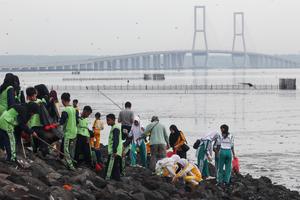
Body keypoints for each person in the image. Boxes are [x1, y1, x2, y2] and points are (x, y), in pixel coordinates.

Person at [26, 87, 49, 157]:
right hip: (32, 125)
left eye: (33, 95)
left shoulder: (40, 101)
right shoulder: (29, 104)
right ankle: (35, 152)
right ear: (28, 97)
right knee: (34, 140)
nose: (32, 97)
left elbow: (46, 110)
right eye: (30, 96)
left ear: (36, 94)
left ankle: (44, 152)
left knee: (43, 138)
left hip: (41, 124)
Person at [59, 93, 79, 170]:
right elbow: (77, 120)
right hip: (74, 132)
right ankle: (72, 164)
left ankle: (71, 166)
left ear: (63, 100)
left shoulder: (65, 110)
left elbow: (61, 122)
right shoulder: (74, 109)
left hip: (68, 133)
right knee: (71, 150)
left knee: (66, 149)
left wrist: (54, 125)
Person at [118, 101, 134, 175]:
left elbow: (118, 120)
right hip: (129, 127)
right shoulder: (131, 112)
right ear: (130, 106)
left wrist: (123, 118)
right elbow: (132, 121)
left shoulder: (121, 112)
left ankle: (122, 152)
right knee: (129, 140)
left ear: (125, 106)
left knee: (123, 140)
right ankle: (126, 154)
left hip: (123, 127)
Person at [105, 114, 123, 181]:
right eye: (107, 120)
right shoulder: (114, 127)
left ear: (113, 120)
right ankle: (117, 180)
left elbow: (116, 140)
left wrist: (114, 151)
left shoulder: (115, 128)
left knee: (110, 167)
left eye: (108, 120)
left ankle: (107, 179)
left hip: (114, 151)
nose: (107, 122)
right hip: (116, 151)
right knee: (115, 167)